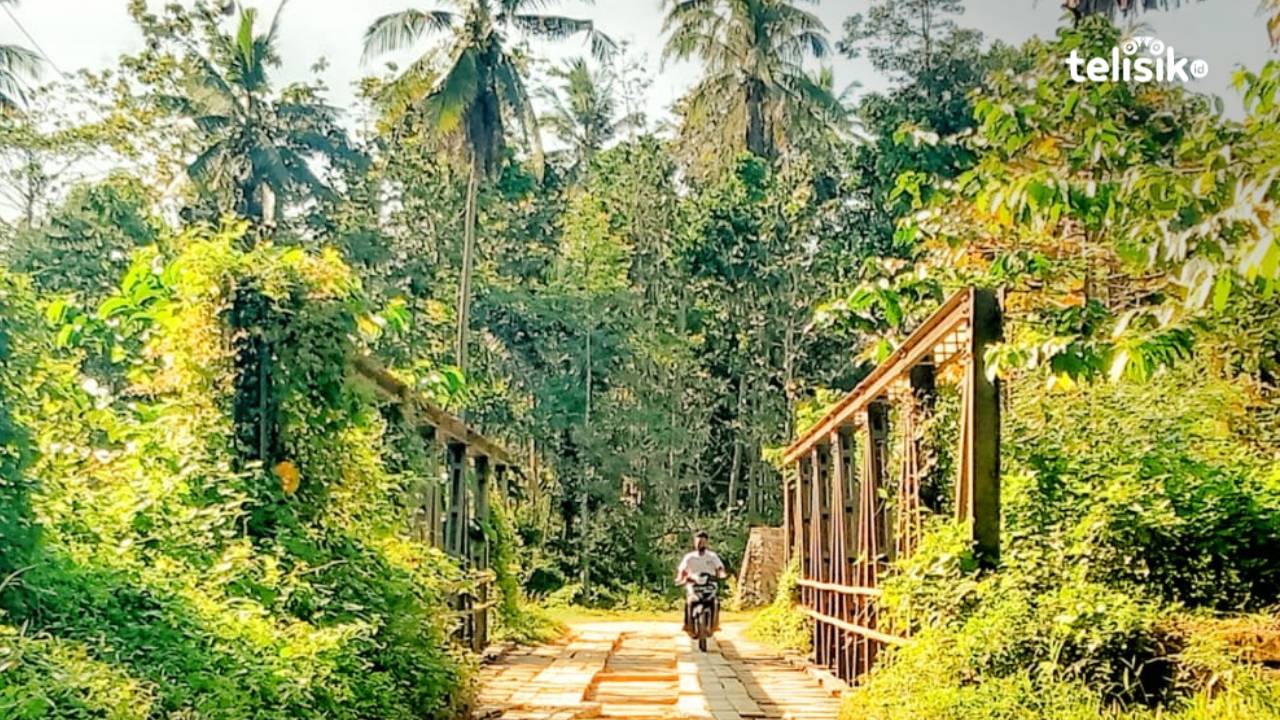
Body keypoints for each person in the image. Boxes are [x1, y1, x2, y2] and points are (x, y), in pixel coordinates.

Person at [676, 530, 727, 636]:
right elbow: (682, 570)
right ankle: (687, 624)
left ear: (706, 543)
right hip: (694, 584)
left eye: (702, 542)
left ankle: (715, 624)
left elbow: (720, 567)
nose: (700, 544)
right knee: (689, 602)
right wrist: (680, 578)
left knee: (715, 602)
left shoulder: (712, 556)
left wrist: (721, 574)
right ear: (694, 543)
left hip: (709, 584)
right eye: (698, 542)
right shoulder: (689, 557)